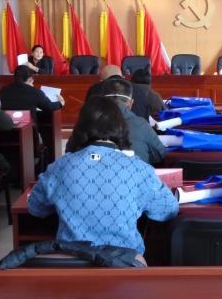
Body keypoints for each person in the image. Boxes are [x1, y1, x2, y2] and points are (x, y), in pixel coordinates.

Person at [28, 96, 178, 257]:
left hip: (71, 261)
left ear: (79, 127)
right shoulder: (138, 168)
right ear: (121, 127)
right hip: (123, 261)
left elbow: (35, 207)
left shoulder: (59, 166)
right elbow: (168, 209)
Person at [70, 78, 165, 164]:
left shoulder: (87, 120)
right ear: (131, 103)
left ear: (103, 100)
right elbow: (160, 155)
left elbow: (70, 151)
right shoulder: (141, 124)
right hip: (135, 175)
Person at [86, 65, 158, 121]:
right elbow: (160, 112)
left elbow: (88, 114)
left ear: (101, 80)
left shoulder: (94, 89)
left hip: (102, 132)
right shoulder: (143, 90)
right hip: (139, 131)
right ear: (123, 77)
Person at [0, 65, 65, 119]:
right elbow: (49, 107)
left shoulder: (4, 90)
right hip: (28, 126)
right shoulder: (35, 92)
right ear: (30, 79)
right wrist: (61, 103)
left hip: (8, 126)